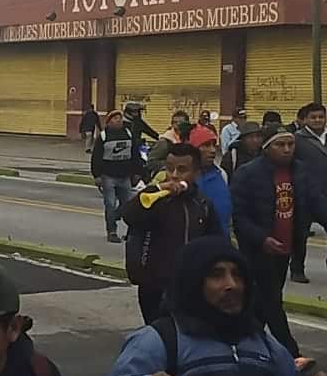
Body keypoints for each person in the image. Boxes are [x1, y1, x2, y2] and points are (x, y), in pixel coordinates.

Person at [96, 237, 327, 376]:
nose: (231, 285)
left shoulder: (261, 341)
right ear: (193, 283)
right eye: (216, 275)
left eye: (237, 275)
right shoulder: (159, 341)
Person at [229, 125, 327, 373]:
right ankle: (291, 354)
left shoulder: (300, 172)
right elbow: (239, 216)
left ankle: (244, 345)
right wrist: (262, 239)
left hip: (286, 249)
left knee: (260, 304)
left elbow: (318, 203)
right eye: (280, 145)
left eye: (290, 144)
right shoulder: (248, 174)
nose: (286, 149)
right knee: (271, 302)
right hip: (258, 250)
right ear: (267, 147)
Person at [120, 143, 222, 325]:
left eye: (182, 170)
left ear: (196, 173)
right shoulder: (157, 199)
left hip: (190, 285)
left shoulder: (202, 204)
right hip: (155, 285)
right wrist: (156, 190)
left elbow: (216, 241)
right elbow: (129, 215)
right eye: (170, 168)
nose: (174, 175)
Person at [290, 103, 327, 284]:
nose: (317, 120)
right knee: (300, 234)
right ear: (305, 119)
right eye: (313, 117)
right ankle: (297, 269)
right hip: (305, 195)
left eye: (320, 117)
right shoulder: (297, 140)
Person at [91, 109, 141, 244]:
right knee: (110, 204)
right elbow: (96, 157)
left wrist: (137, 172)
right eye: (115, 118)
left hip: (125, 176)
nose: (118, 120)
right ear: (109, 122)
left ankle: (120, 220)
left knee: (128, 205)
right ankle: (112, 231)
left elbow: (135, 154)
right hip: (108, 176)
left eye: (120, 117)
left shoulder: (128, 134)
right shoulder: (103, 136)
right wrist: (97, 176)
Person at [194, 131, 231, 236]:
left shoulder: (222, 174)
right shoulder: (181, 177)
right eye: (206, 145)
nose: (213, 150)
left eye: (214, 145)